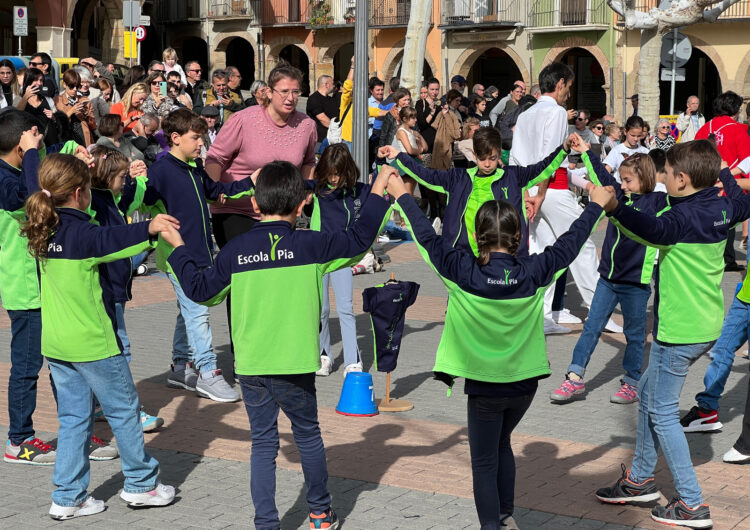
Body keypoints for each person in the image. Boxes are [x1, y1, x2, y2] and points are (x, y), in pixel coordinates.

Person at [161, 160, 395, 530]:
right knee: (308, 436)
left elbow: (201, 291)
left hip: (253, 366)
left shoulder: (235, 251)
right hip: (296, 364)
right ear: (302, 204)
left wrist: (177, 247)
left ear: (255, 204)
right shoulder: (311, 245)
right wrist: (380, 183)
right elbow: (359, 238)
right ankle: (319, 512)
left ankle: (266, 523)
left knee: (264, 444)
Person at [387, 167, 612, 530]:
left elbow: (428, 237)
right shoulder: (535, 270)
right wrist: (596, 206)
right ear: (519, 237)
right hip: (525, 386)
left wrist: (401, 195)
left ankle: (492, 524)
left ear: (477, 238)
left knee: (484, 462)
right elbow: (570, 243)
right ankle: (506, 516)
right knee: (502, 442)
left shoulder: (461, 270)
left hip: (484, 387)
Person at [594, 140, 750, 529]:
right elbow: (742, 203)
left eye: (664, 174)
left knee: (663, 412)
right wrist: (725, 172)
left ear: (681, 180)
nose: (660, 179)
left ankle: (692, 505)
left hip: (678, 332)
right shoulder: (722, 207)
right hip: (704, 325)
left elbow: (647, 227)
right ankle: (640, 481)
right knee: (648, 394)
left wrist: (612, 206)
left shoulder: (679, 222)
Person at [22, 153, 177, 520]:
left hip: (57, 343)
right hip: (92, 342)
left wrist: (32, 153)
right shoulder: (83, 232)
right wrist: (151, 228)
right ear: (79, 193)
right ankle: (142, 485)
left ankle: (67, 497)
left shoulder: (43, 228)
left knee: (74, 419)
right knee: (124, 412)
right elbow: (116, 239)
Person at [139, 108, 255, 402]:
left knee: (188, 310)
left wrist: (250, 182)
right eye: (195, 138)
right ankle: (207, 372)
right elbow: (138, 201)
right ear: (175, 138)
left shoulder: (195, 167)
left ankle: (180, 367)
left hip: (202, 252)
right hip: (179, 255)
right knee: (198, 311)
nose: (201, 143)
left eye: (202, 137)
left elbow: (216, 191)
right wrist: (135, 182)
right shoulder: (160, 171)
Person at [511, 62, 616, 335]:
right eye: (568, 87)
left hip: (529, 189)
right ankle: (599, 312)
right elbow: (550, 157)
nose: (568, 93)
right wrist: (542, 194)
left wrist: (527, 195)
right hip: (551, 189)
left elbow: (516, 160)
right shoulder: (556, 112)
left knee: (542, 252)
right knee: (582, 245)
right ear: (559, 84)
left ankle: (541, 316)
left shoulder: (524, 115)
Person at [552, 147, 661, 404]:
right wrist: (587, 152)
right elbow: (602, 176)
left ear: (644, 180)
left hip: (636, 283)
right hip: (608, 280)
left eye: (628, 181)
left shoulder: (656, 203)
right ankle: (574, 377)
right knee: (591, 327)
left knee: (634, 335)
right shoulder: (620, 197)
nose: (622, 186)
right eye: (621, 180)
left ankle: (632, 381)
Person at [384, 127, 571, 258]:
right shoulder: (458, 178)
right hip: (464, 254)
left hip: (504, 256)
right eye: (482, 158)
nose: (488, 163)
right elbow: (426, 175)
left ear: (499, 154)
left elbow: (543, 167)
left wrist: (564, 149)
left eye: (493, 158)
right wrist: (399, 156)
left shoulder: (513, 177)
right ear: (474, 155)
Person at [87, 146, 162, 432]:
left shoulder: (111, 199)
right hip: (107, 288)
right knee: (119, 348)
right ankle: (129, 410)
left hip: (116, 286)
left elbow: (130, 196)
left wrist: (139, 178)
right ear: (105, 176)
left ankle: (99, 405)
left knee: (113, 346)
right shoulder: (97, 203)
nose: (124, 180)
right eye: (120, 176)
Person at [1, 112, 57, 466]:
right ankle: (19, 439)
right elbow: (30, 193)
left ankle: (75, 430)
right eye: (34, 141)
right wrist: (31, 150)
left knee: (62, 363)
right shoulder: (5, 178)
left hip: (44, 285)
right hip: (25, 290)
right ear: (21, 143)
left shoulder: (15, 172)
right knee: (26, 364)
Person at [312, 144, 377, 376]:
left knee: (346, 308)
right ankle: (323, 355)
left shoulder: (360, 191)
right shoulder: (318, 190)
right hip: (319, 255)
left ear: (346, 170)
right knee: (321, 309)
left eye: (337, 173)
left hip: (341, 256)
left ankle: (352, 359)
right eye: (329, 173)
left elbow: (379, 200)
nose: (333, 178)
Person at [695, 91, 750, 273]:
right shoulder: (737, 129)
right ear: (735, 109)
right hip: (729, 185)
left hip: (704, 183)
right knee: (727, 223)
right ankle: (727, 259)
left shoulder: (704, 129)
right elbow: (747, 161)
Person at [16, 68, 60, 147]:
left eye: (41, 80)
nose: (39, 83)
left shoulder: (48, 99)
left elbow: (57, 122)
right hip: (29, 144)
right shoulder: (18, 99)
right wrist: (26, 96)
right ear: (28, 81)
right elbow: (16, 116)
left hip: (49, 144)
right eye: (36, 80)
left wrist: (53, 117)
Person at [55, 69, 96, 146]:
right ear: (64, 84)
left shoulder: (85, 100)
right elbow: (57, 125)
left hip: (84, 140)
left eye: (77, 86)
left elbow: (93, 126)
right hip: (66, 140)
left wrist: (85, 114)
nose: (75, 89)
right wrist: (71, 111)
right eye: (71, 86)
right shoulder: (57, 100)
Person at [603, 116, 649, 182]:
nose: (636, 139)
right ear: (625, 131)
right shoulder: (617, 150)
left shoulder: (645, 152)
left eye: (639, 136)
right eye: (632, 135)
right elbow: (606, 171)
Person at [306, 74, 338, 147]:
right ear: (326, 85)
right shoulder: (314, 99)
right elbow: (323, 119)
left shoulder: (331, 99)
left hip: (333, 138)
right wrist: (337, 130)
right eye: (332, 83)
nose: (334, 86)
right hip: (320, 141)